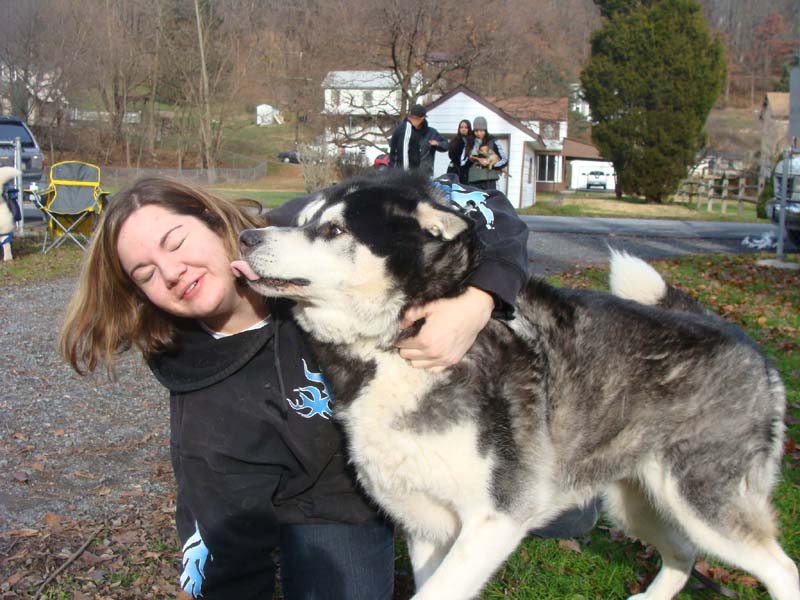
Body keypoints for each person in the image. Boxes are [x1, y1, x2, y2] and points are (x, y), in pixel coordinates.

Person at [58, 174, 531, 599]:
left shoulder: (310, 225)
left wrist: (480, 297)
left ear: (211, 221)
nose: (171, 271)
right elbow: (222, 546)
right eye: (146, 273)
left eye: (175, 241)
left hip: (418, 442)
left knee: (557, 497)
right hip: (328, 502)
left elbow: (477, 202)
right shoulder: (205, 399)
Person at [388, 104, 449, 177]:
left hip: (425, 173)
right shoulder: (404, 131)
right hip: (407, 173)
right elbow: (394, 147)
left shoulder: (431, 133)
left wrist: (438, 144)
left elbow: (446, 145)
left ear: (422, 119)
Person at [468, 116, 508, 191]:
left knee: (492, 202)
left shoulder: (493, 141)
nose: (478, 133)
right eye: (476, 131)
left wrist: (492, 165)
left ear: (485, 130)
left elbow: (504, 159)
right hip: (473, 181)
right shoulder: (470, 142)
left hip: (490, 181)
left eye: (481, 130)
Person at [447, 119, 475, 184]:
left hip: (467, 172)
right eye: (461, 127)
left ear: (469, 129)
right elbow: (451, 155)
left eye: (466, 127)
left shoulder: (472, 141)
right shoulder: (455, 140)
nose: (463, 129)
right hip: (454, 170)